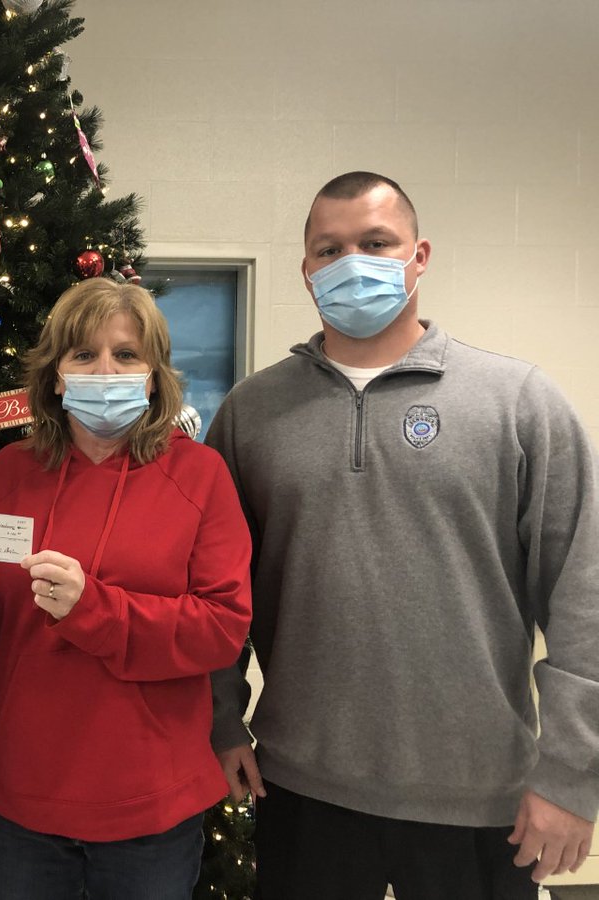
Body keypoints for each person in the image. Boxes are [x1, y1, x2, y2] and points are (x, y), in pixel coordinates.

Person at [206, 171, 599, 899]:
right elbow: (217, 590)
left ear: (418, 256)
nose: (351, 261)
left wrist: (573, 775)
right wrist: (223, 718)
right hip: (301, 789)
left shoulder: (518, 403)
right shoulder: (251, 413)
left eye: (375, 243)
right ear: (306, 270)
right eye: (329, 249)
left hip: (480, 799)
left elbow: (585, 596)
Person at [0, 278, 253, 900]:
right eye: (83, 355)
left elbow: (222, 629)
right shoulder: (8, 474)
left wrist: (94, 609)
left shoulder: (200, 473)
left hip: (151, 807)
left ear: (155, 374)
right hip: (20, 802)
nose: (105, 370)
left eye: (126, 355)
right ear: (55, 376)